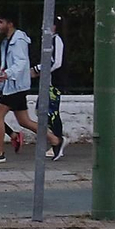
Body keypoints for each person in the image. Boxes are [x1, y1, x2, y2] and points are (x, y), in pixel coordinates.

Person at [0, 13, 61, 163]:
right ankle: (55, 140)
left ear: (10, 23)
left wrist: (7, 74)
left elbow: (21, 63)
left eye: (1, 21)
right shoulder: (8, 41)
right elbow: (8, 65)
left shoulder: (18, 40)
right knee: (24, 121)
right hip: (14, 85)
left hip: (16, 86)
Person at [32, 15, 67, 160]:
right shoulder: (49, 41)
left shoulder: (56, 40)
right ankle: (56, 140)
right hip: (48, 83)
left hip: (54, 84)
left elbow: (55, 62)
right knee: (41, 110)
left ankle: (57, 142)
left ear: (54, 26)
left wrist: (37, 69)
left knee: (51, 113)